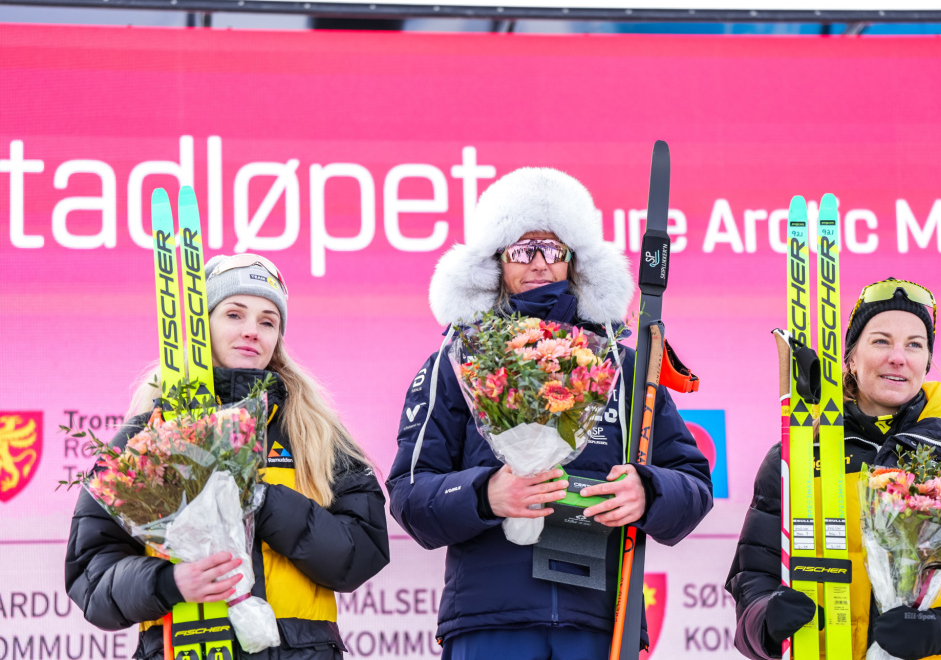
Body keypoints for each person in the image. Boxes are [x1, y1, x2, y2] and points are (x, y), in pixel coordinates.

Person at [387, 167, 714, 659]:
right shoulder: (456, 364)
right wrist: (485, 494)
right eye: (523, 250)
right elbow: (409, 494)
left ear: (574, 260)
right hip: (490, 621)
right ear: (495, 262)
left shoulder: (623, 366)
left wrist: (647, 491)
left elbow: (693, 482)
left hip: (601, 621)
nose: (539, 262)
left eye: (553, 249)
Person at [66, 254, 390, 660]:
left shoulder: (316, 433)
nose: (252, 330)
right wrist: (168, 582)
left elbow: (363, 553)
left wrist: (260, 501)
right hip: (183, 648)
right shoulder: (148, 436)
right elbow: (91, 575)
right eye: (234, 314)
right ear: (203, 326)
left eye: (268, 321)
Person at [726, 278, 941, 660]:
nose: (898, 357)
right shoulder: (796, 456)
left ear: (926, 362)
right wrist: (766, 620)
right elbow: (753, 581)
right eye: (881, 341)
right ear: (851, 357)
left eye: (914, 344)